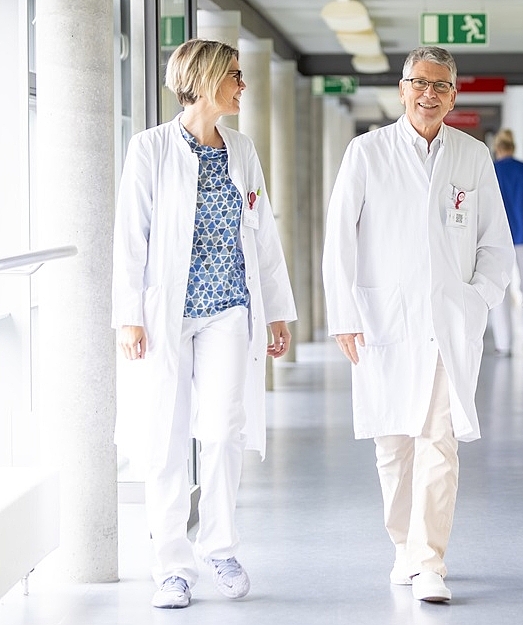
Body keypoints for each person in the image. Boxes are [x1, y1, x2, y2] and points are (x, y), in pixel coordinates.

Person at [321, 46, 514, 603]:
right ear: (403, 89)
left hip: (448, 321)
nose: (429, 94)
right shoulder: (367, 152)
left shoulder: (473, 156)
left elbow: (494, 243)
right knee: (393, 443)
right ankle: (403, 545)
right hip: (383, 316)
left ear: (454, 96)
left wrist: (477, 299)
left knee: (439, 439)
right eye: (419, 83)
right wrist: (345, 314)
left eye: (441, 86)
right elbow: (340, 239)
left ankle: (431, 561)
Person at [111, 39, 297, 609]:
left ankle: (219, 545)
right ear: (205, 78)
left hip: (229, 308)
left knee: (222, 430)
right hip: (167, 312)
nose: (243, 85)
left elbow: (262, 232)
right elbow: (129, 236)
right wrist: (128, 316)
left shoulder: (241, 150)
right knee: (165, 437)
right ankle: (172, 565)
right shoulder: (150, 149)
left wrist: (278, 309)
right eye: (234, 76)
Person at [490, 128, 523, 355]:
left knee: (499, 289)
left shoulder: (491, 170)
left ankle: (503, 343)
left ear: (497, 149)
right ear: (513, 147)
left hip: (497, 237)